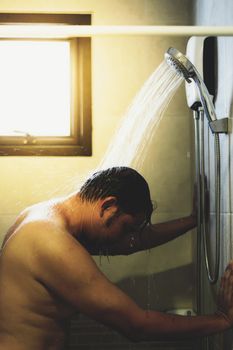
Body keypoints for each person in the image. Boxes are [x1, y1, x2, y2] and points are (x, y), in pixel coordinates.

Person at [0, 166, 232, 350]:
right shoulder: (51, 242)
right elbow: (136, 326)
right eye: (126, 228)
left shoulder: (44, 217)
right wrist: (221, 319)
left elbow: (134, 242)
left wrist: (192, 221)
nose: (127, 237)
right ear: (109, 206)